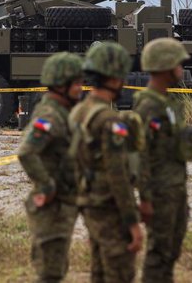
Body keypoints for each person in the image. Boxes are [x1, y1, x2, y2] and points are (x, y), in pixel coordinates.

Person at [70, 41, 143, 283]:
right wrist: (132, 221)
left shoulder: (79, 112)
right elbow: (117, 174)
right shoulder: (109, 120)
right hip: (109, 206)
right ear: (113, 78)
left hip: (89, 203)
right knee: (119, 272)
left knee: (99, 270)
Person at [134, 38, 192, 283]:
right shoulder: (149, 105)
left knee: (172, 246)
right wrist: (146, 199)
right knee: (158, 251)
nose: (181, 70)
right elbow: (140, 154)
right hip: (159, 189)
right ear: (165, 66)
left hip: (175, 185)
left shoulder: (169, 103)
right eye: (178, 64)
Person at [18, 52, 83, 283]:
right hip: (51, 208)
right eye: (76, 83)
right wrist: (46, 186)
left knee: (56, 268)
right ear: (60, 85)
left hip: (63, 204)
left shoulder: (62, 112)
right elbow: (26, 152)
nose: (80, 88)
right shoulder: (50, 115)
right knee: (50, 272)